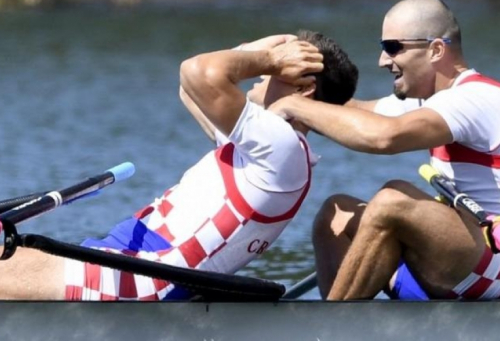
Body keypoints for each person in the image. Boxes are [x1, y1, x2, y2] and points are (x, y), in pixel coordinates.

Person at [0, 30, 358, 300]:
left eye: (271, 71)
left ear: (303, 87)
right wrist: (257, 51)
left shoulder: (279, 147)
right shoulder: (263, 145)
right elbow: (190, 88)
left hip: (147, 279)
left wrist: (269, 59)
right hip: (127, 258)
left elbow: (198, 72)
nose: (260, 76)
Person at [269, 0, 500, 301]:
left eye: (393, 47)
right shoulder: (429, 101)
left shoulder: (474, 98)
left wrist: (292, 105)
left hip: (493, 267)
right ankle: (351, 322)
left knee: (393, 200)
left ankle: (327, 328)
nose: (382, 60)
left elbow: (383, 137)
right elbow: (355, 115)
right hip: (462, 257)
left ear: (436, 50)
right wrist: (290, 92)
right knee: (334, 216)